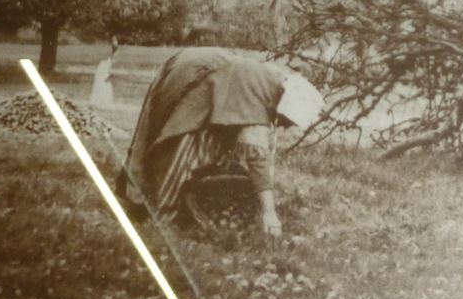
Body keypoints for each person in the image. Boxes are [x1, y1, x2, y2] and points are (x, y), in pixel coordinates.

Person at [116, 47, 324, 237]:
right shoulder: (261, 92)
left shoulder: (275, 82)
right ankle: (160, 218)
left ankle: (167, 204)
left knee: (208, 150)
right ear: (285, 108)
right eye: (288, 121)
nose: (286, 126)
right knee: (179, 145)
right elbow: (256, 156)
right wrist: (269, 213)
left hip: (207, 69)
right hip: (193, 75)